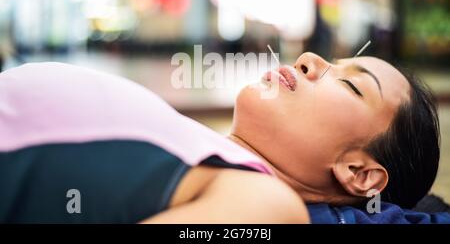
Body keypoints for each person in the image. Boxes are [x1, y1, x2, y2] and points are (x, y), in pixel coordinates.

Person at [0, 52, 445, 223]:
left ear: (359, 173)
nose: (310, 59)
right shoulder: (198, 153)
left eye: (351, 84)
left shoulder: (268, 207)